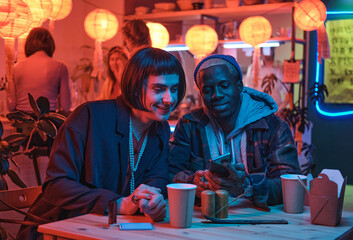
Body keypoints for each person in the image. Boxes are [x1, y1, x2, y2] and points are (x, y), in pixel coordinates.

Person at [17, 48, 186, 239]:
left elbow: (157, 178)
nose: (169, 99)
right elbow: (56, 184)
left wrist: (151, 199)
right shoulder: (89, 116)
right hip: (57, 229)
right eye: (159, 89)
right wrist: (117, 204)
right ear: (136, 87)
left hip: (114, 231)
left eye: (174, 89)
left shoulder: (160, 129)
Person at [168, 54, 300, 209]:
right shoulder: (189, 126)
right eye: (207, 89)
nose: (217, 95)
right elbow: (170, 174)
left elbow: (291, 186)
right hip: (205, 220)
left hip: (261, 221)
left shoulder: (274, 127)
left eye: (224, 86)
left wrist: (247, 186)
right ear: (201, 95)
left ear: (239, 87)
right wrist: (193, 183)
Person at [7, 27, 71, 115]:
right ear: (50, 44)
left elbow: (11, 106)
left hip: (23, 122)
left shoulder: (16, 67)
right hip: (48, 122)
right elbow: (65, 107)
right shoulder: (60, 67)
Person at [243, 47, 289, 112]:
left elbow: (288, 93)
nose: (267, 51)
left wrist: (280, 110)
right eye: (264, 48)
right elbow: (248, 92)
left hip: (276, 111)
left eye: (270, 48)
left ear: (273, 48)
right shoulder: (253, 68)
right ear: (260, 50)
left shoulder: (279, 67)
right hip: (258, 112)